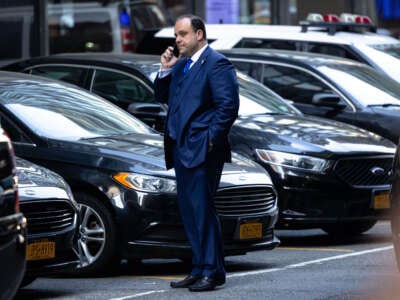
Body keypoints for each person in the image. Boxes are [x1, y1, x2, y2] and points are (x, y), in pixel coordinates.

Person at [154, 14, 239, 292]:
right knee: (190, 211)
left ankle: (212, 271)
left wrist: (211, 140)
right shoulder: (182, 65)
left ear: (199, 34)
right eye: (176, 35)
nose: (177, 39)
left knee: (202, 209)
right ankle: (200, 267)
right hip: (181, 148)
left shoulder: (217, 63)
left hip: (202, 148)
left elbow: (228, 106)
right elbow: (165, 97)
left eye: (182, 34)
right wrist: (166, 70)